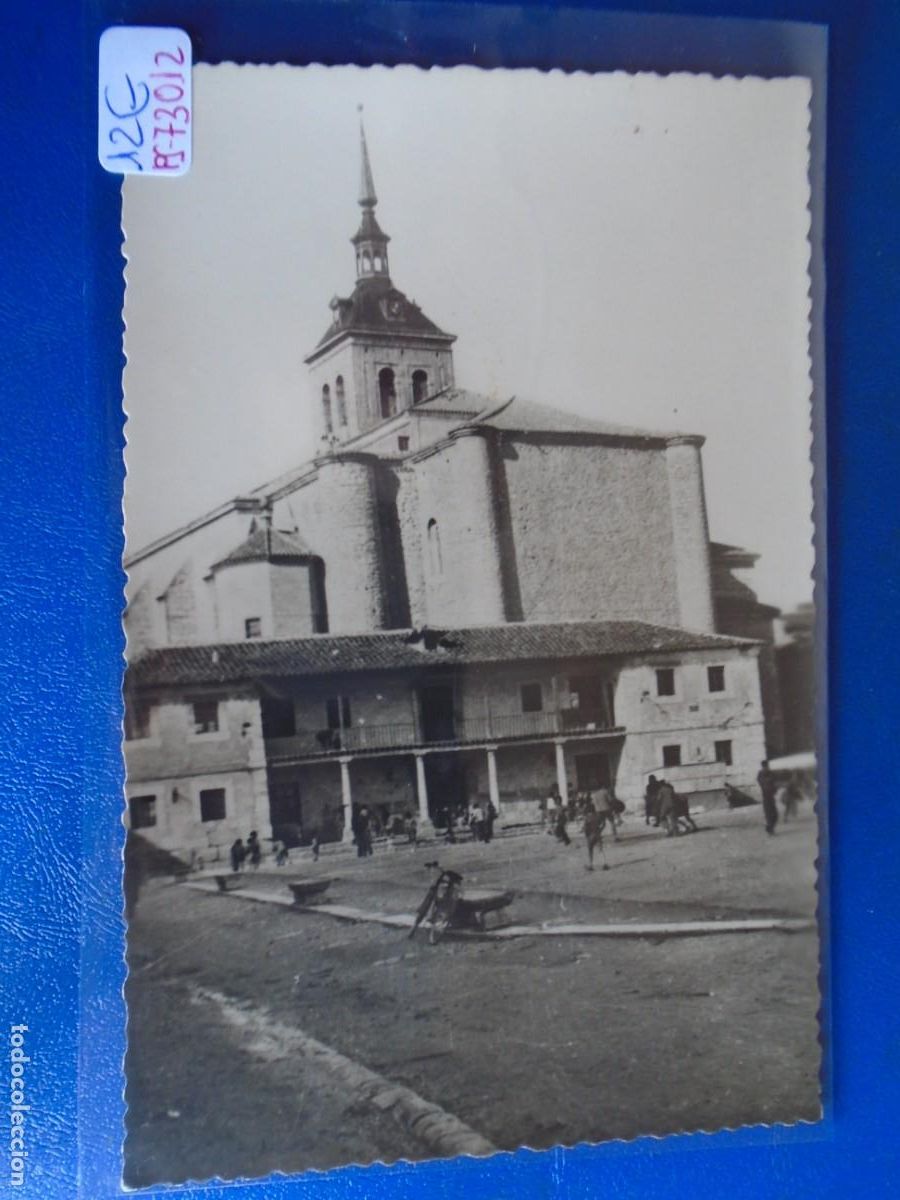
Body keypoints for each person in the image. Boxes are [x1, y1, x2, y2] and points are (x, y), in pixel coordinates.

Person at [583, 798, 608, 871]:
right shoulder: (598, 816)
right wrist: (600, 830)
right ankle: (604, 864)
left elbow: (585, 828)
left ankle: (591, 865)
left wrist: (586, 835)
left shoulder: (587, 818)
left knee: (590, 850)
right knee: (600, 849)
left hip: (590, 835)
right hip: (598, 834)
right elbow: (604, 824)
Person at [757, 760, 778, 835]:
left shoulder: (770, 773)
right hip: (766, 797)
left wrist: (774, 789)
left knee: (775, 815)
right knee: (769, 814)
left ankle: (769, 827)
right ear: (763, 766)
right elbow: (762, 782)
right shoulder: (761, 774)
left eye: (767, 766)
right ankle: (770, 829)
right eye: (765, 766)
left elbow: (774, 783)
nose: (766, 767)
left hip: (771, 797)